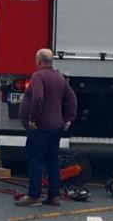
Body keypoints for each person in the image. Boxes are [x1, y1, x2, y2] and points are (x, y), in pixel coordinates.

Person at [17, 48, 77, 206]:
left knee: (36, 160)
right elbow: (72, 99)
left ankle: (34, 196)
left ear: (39, 61)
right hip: (56, 127)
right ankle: (54, 196)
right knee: (53, 161)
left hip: (41, 127)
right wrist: (69, 118)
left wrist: (33, 119)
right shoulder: (59, 77)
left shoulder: (38, 76)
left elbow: (38, 98)